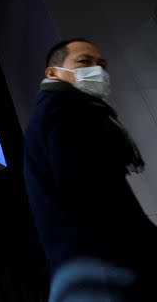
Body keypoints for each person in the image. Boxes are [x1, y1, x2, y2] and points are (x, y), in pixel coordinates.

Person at [23, 38, 157, 301]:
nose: (97, 71)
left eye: (102, 66)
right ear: (53, 72)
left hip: (80, 278)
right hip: (105, 275)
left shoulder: (50, 112)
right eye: (84, 62)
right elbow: (95, 194)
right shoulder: (66, 107)